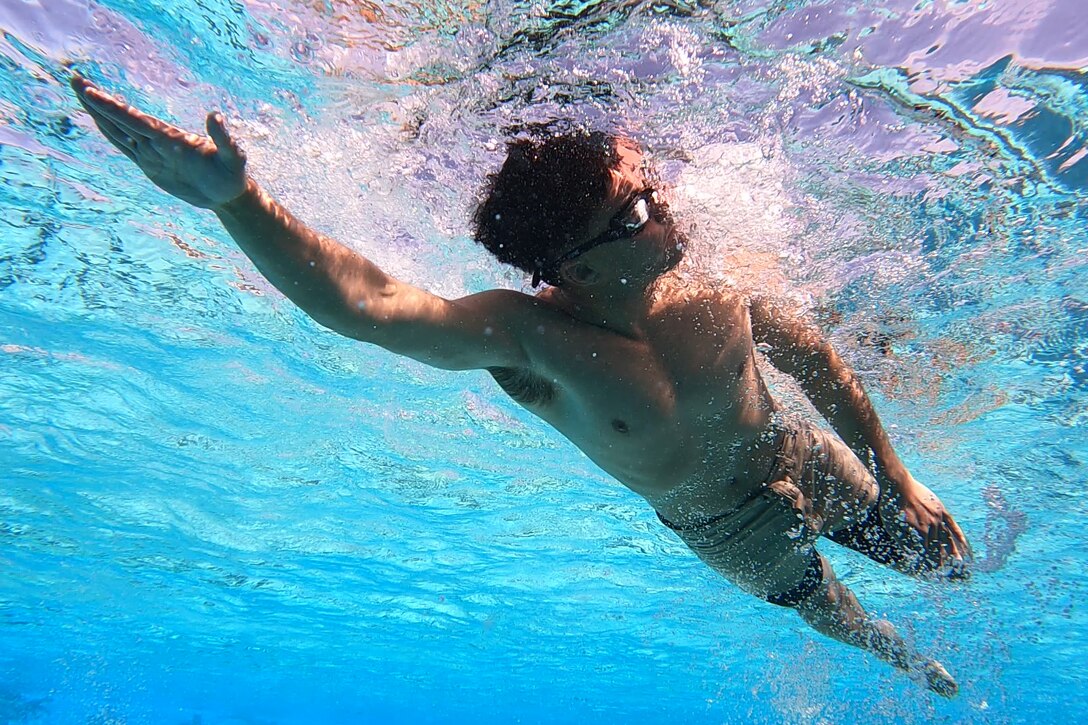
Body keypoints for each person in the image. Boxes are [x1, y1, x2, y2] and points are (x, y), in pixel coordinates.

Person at [70, 75, 971, 697]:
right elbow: (370, 304)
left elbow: (814, 358)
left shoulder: (713, 281)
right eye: (641, 210)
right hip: (723, 529)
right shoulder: (530, 341)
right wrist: (239, 202)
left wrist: (896, 471)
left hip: (798, 457)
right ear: (573, 262)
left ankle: (906, 578)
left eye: (650, 186)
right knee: (841, 618)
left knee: (947, 562)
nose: (670, 207)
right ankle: (895, 655)